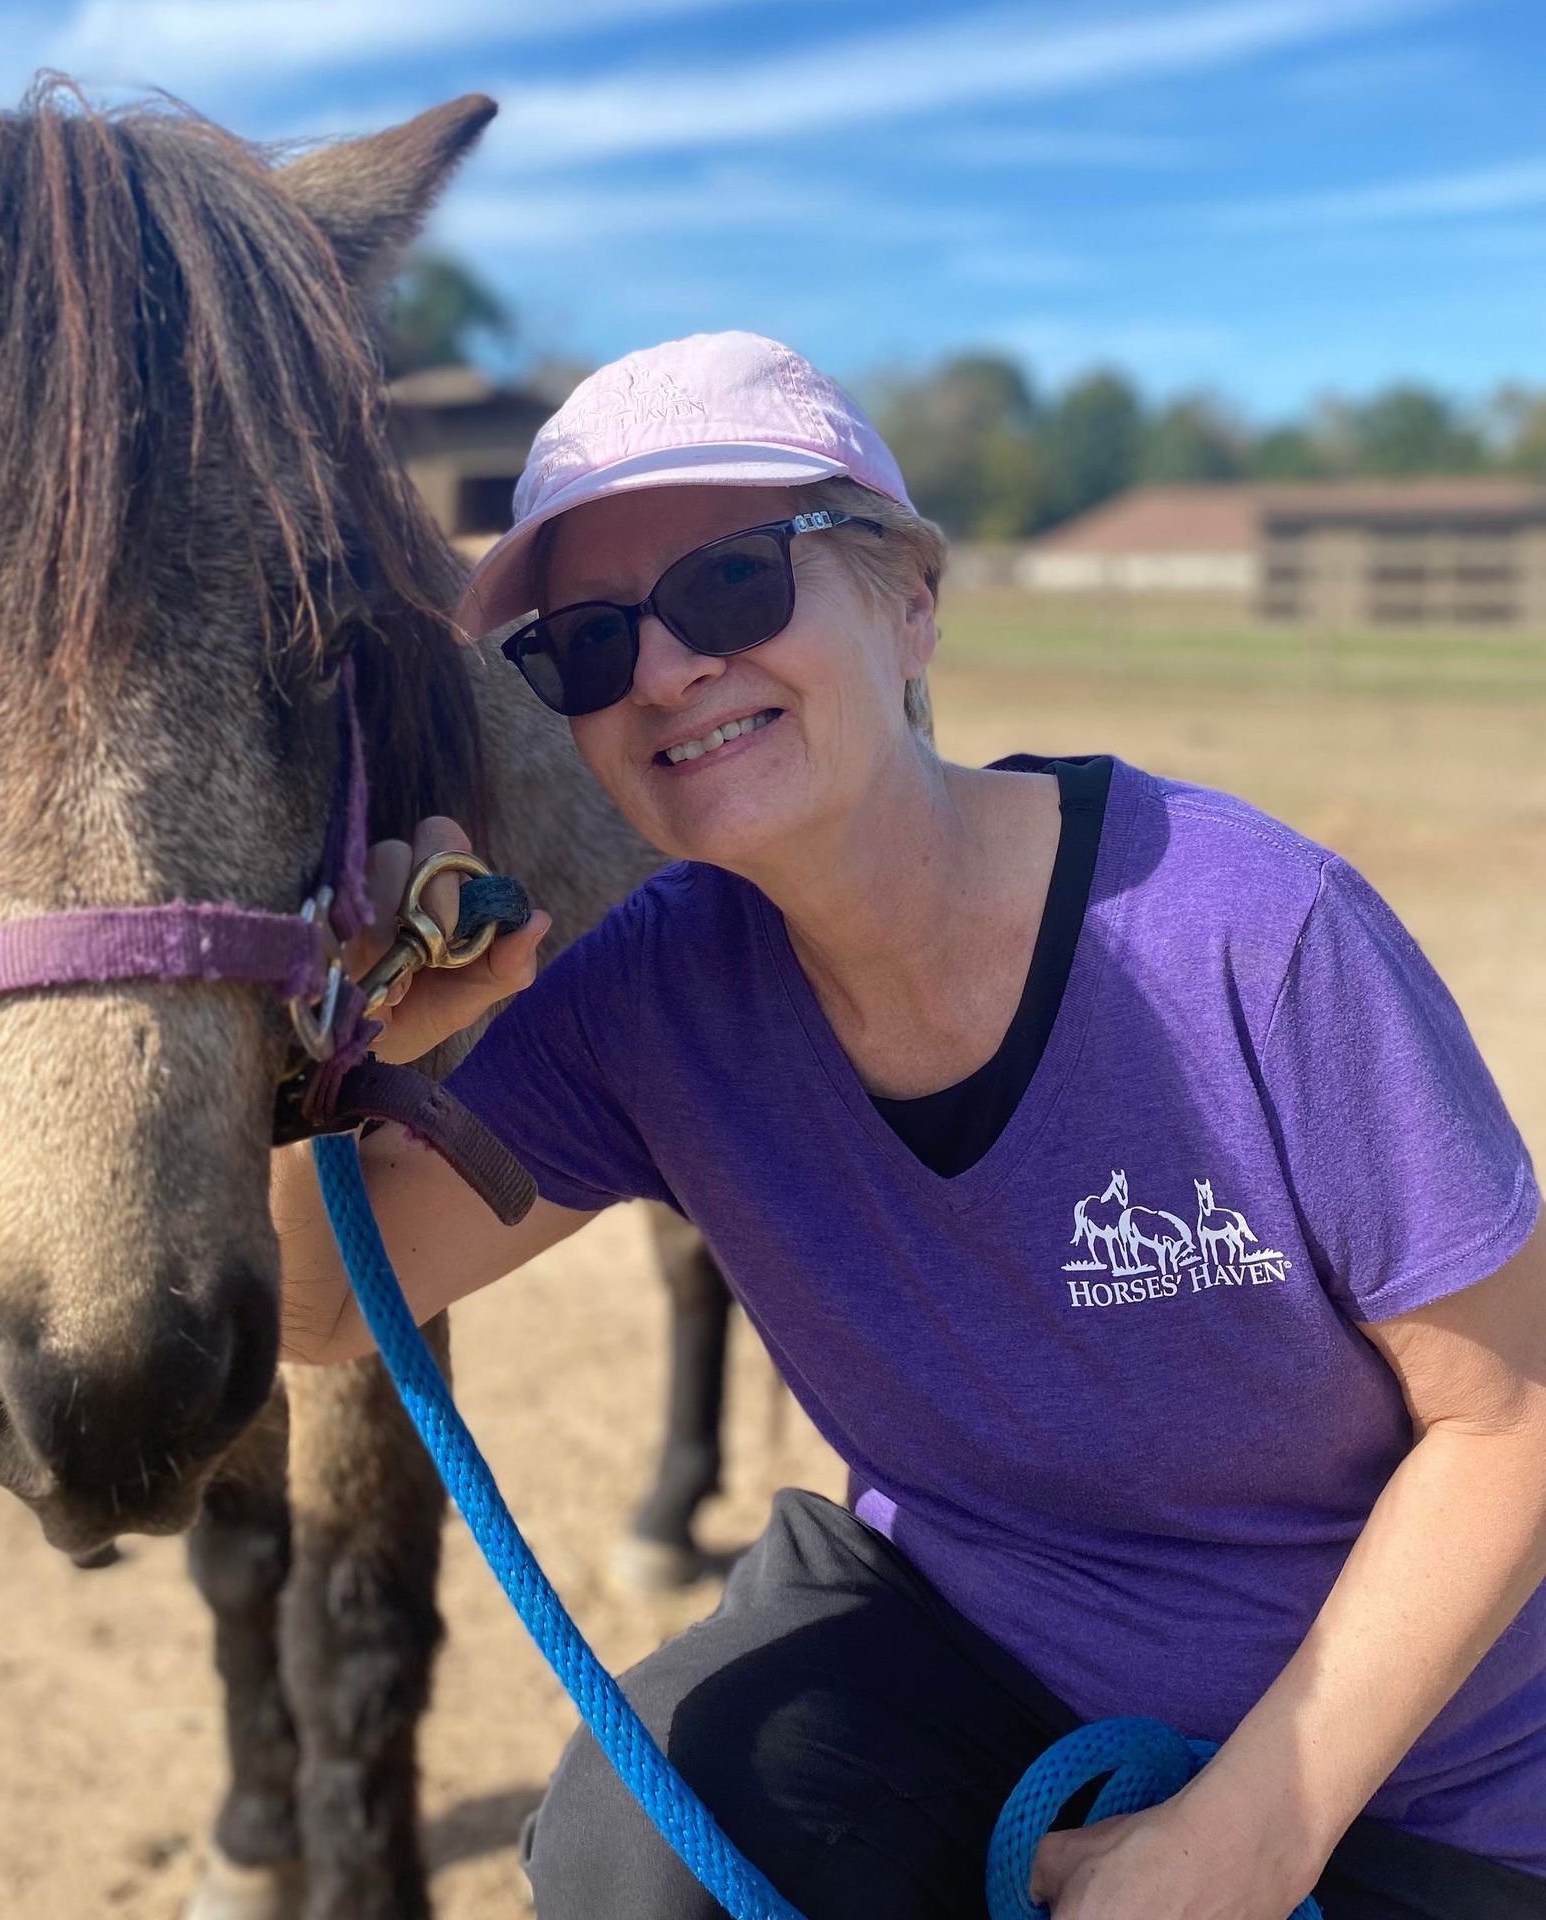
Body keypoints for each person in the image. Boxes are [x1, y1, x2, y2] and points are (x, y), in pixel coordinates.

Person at [272, 332, 1546, 1918]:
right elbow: (327, 1309)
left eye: (732, 587)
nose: (662, 671)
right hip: (965, 1656)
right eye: (586, 647)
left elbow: (1510, 1422)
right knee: (640, 1853)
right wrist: (341, 1050)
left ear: (909, 600)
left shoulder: (1257, 935)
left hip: (1405, 1779)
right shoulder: (647, 998)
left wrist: (1246, 1832)